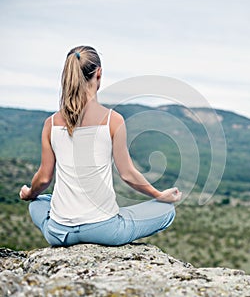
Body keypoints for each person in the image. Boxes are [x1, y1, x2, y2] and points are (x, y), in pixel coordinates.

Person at [19, 45, 182, 247]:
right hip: (104, 231)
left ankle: (52, 228)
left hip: (60, 233)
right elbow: (128, 174)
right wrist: (159, 195)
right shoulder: (112, 120)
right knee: (167, 211)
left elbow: (43, 178)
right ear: (99, 73)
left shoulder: (51, 124)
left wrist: (29, 193)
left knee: (38, 202)